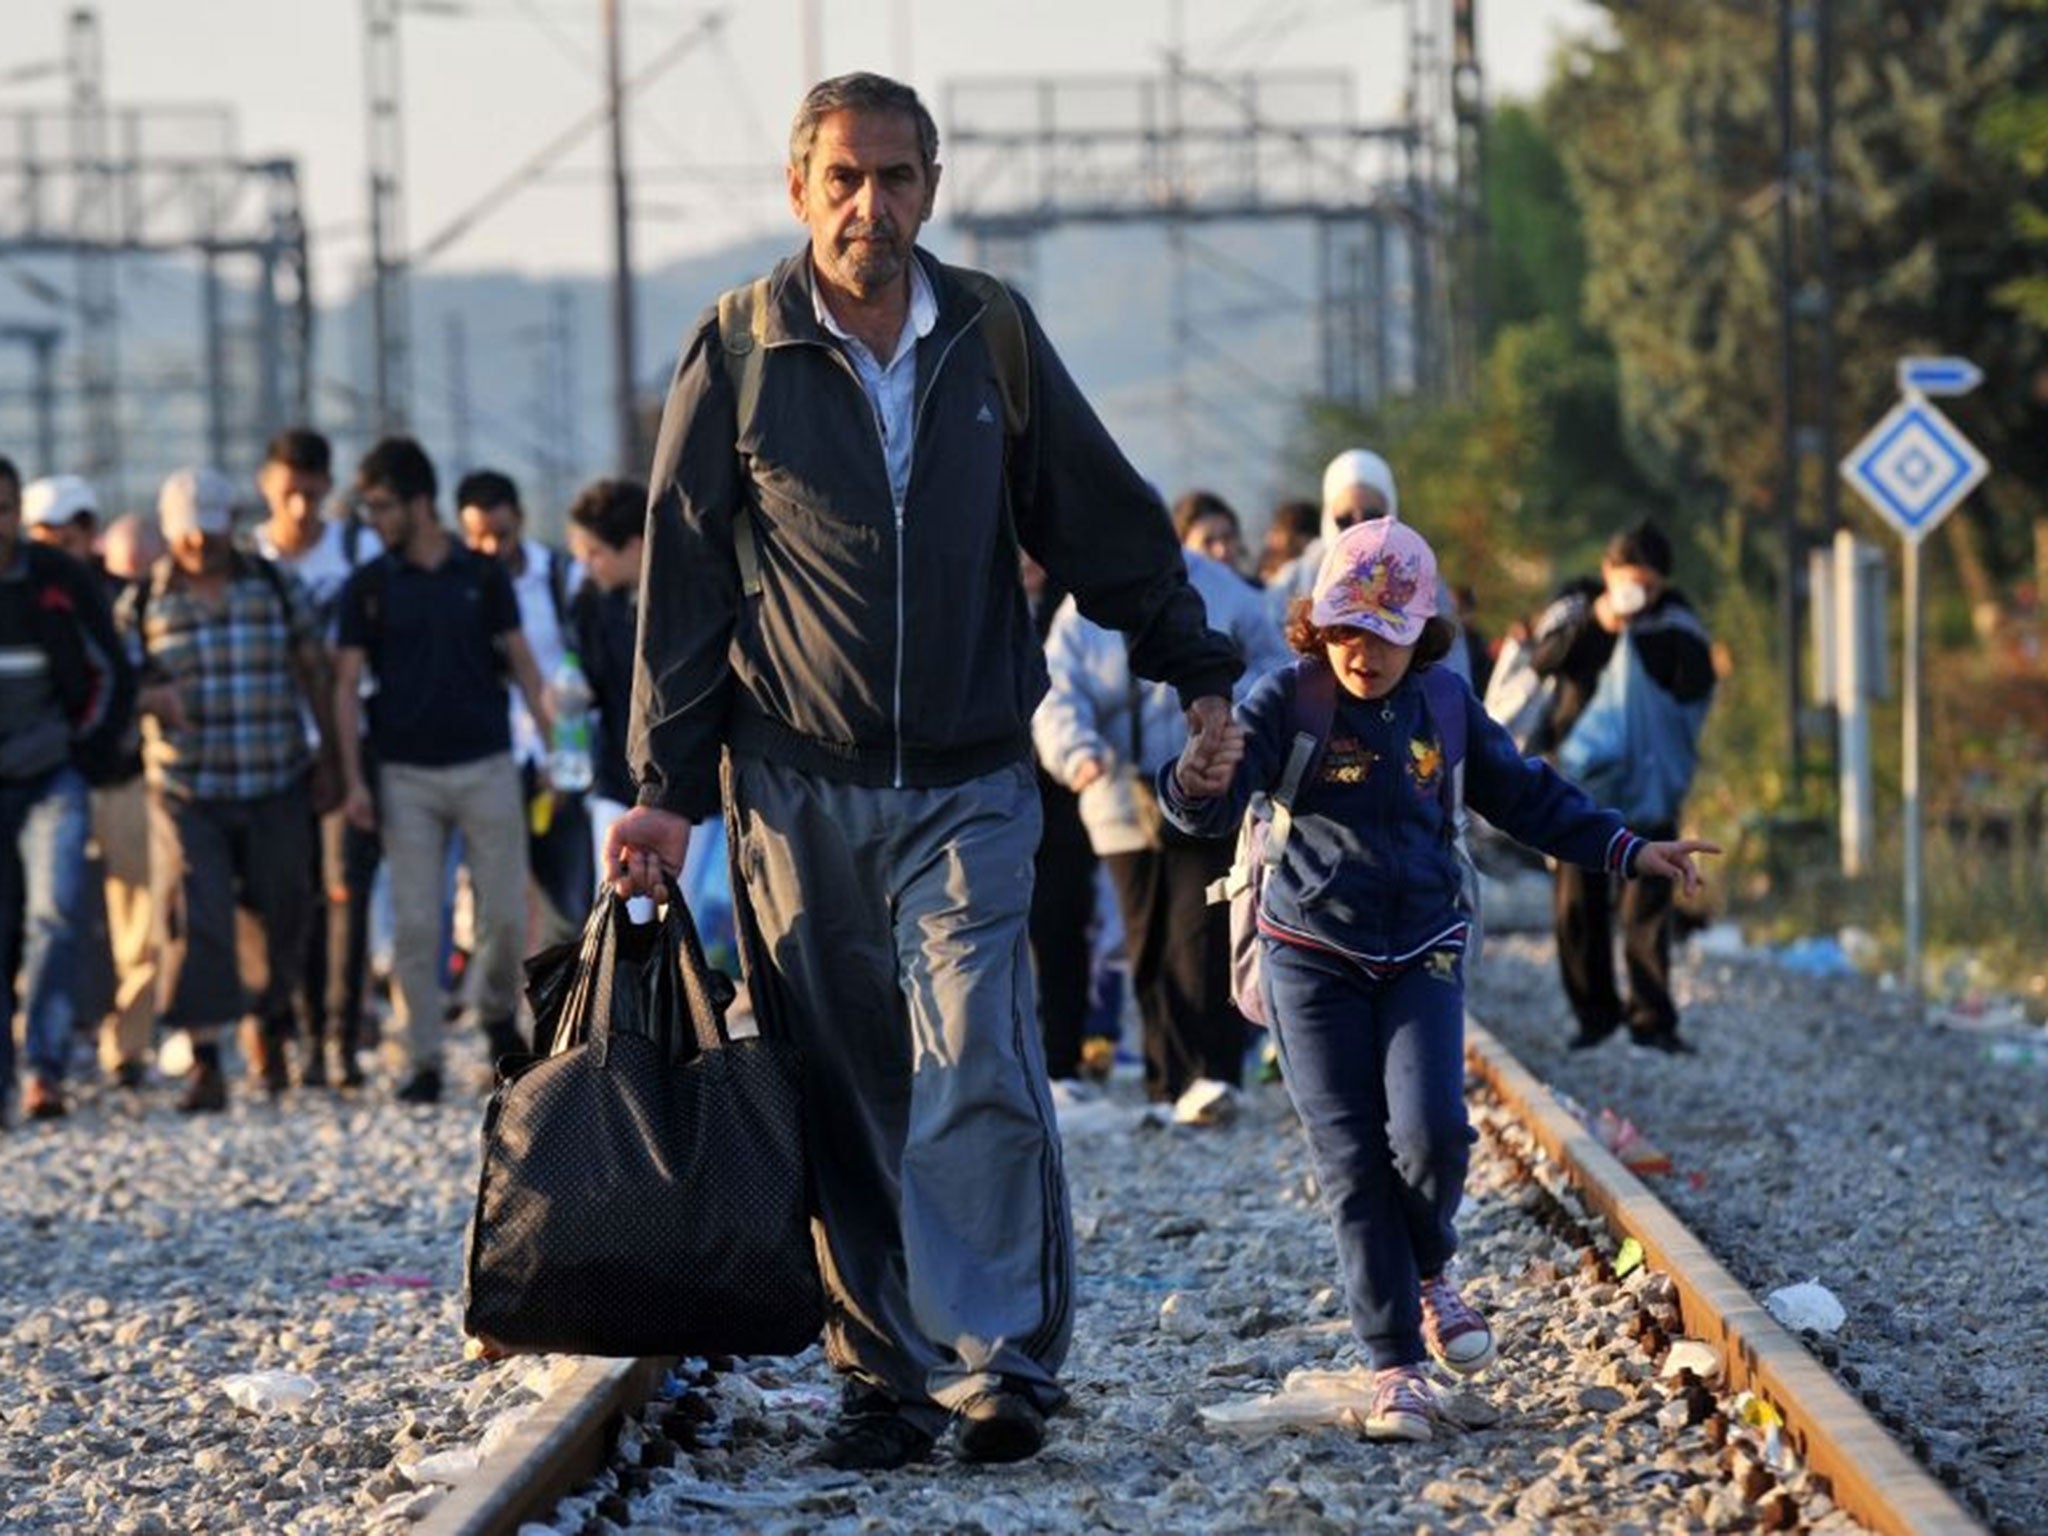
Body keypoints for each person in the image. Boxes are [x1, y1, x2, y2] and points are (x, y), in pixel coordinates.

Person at [607, 72, 1243, 1470]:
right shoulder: (739, 348)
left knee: (979, 1058)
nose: (869, 206)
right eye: (843, 178)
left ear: (930, 191)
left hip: (967, 776)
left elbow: (1104, 519)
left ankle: (999, 1363)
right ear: (799, 190)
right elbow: (689, 586)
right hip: (793, 786)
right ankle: (888, 1377)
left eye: (895, 179)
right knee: (845, 1083)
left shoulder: (991, 339)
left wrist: (1195, 667)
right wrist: (660, 785)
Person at [1159, 514, 1718, 1442]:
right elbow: (1201, 806)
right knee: (1350, 1162)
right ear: (1317, 625)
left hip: (1423, 946)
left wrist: (1630, 849)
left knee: (1433, 1137)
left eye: (1385, 633)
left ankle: (1427, 1272)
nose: (1363, 653)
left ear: (1421, 632)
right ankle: (1396, 1368)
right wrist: (1195, 780)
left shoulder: (1448, 707)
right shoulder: (1284, 701)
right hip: (1310, 954)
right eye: (1346, 629)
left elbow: (1530, 796)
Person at [1034, 537, 1289, 1114]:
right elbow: (1055, 691)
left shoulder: (1220, 587)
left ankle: (1215, 1072)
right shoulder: (1082, 607)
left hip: (1205, 781)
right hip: (1117, 792)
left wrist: (1231, 723)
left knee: (1201, 930)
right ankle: (1166, 1080)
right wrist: (1078, 753)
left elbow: (1273, 665)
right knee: (1145, 938)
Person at [334, 437, 553, 1105]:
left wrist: (552, 751)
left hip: (487, 764)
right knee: (417, 924)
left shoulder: (480, 575)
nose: (373, 520)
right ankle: (421, 1057)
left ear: (420, 502)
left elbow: (520, 661)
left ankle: (494, 1016)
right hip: (405, 776)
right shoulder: (368, 587)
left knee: (505, 920)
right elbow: (345, 687)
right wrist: (353, 783)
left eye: (382, 506)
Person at [122, 468, 336, 1112]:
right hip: (189, 788)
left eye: (211, 533)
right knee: (196, 913)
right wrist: (148, 697)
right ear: (170, 532)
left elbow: (314, 673)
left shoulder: (271, 584)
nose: (200, 546)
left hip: (274, 776)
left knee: (284, 906)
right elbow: (106, 685)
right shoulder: (141, 603)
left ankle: (269, 1026)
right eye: (188, 535)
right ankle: (206, 1059)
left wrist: (332, 760)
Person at [1526, 518, 1717, 1054]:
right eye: (1632, 581)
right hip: (1578, 786)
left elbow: (1697, 686)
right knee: (1577, 907)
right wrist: (1602, 622)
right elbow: (1544, 660)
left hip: (1647, 790)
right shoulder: (1577, 607)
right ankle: (1594, 1017)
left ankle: (1652, 1018)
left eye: (1650, 586)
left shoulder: (1676, 622)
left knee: (1648, 909)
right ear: (1609, 571)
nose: (1642, 595)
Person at [2, 457, 133, 1125]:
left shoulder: (58, 580)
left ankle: (44, 1069)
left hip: (55, 772)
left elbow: (110, 669)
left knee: (54, 918)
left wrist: (85, 752)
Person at [252, 426, 373, 1086]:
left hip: (349, 741)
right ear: (266, 488)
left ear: (329, 488)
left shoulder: (355, 551)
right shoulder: (252, 563)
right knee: (286, 893)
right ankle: (284, 1027)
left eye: (312, 494)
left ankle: (341, 1035)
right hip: (275, 747)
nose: (300, 508)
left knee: (345, 887)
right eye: (289, 493)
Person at [457, 468, 590, 947]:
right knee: (495, 896)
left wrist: (563, 759)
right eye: (478, 538)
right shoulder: (461, 588)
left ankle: (564, 1007)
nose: (491, 549)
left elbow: (580, 672)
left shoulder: (560, 578)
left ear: (520, 519)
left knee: (565, 896)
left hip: (562, 749)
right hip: (492, 756)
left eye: (501, 535)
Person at [1266, 450, 1470, 685]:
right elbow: (1266, 656)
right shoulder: (1294, 579)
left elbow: (1452, 669)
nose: (1358, 526)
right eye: (1345, 519)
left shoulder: (1419, 576)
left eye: (1372, 517)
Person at [86, 511, 164, 1089]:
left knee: (140, 921)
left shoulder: (156, 606)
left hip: (131, 777)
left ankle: (128, 1046)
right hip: (57, 779)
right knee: (53, 918)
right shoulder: (63, 599)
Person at [563, 476, 646, 883]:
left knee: (697, 923)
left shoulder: (687, 602)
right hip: (615, 783)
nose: (586, 566)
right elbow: (586, 684)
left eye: (594, 554)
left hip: (690, 796)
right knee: (622, 909)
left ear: (635, 546)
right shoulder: (589, 605)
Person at [1172, 489, 1251, 580]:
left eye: (1227, 538)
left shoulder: (1259, 592)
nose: (1221, 550)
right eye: (1208, 542)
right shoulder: (1168, 593)